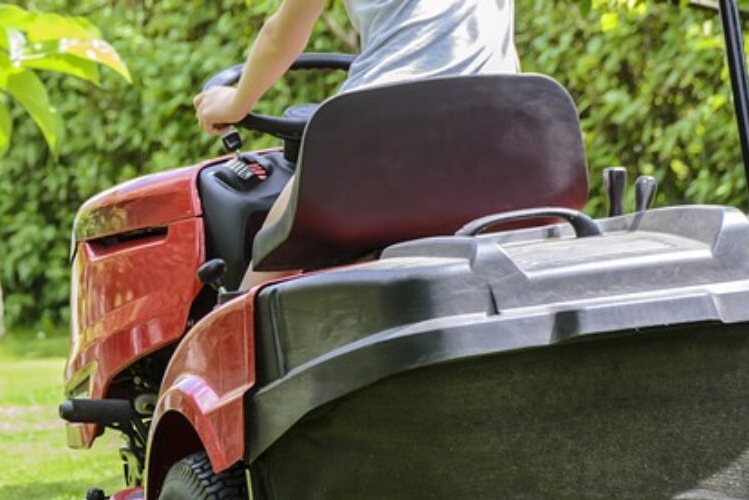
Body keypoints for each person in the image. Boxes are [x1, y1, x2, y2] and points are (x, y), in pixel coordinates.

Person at [193, 0, 521, 289]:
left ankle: (237, 349)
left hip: (383, 133)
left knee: (271, 260)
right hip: (503, 138)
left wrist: (235, 103)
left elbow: (280, 37)